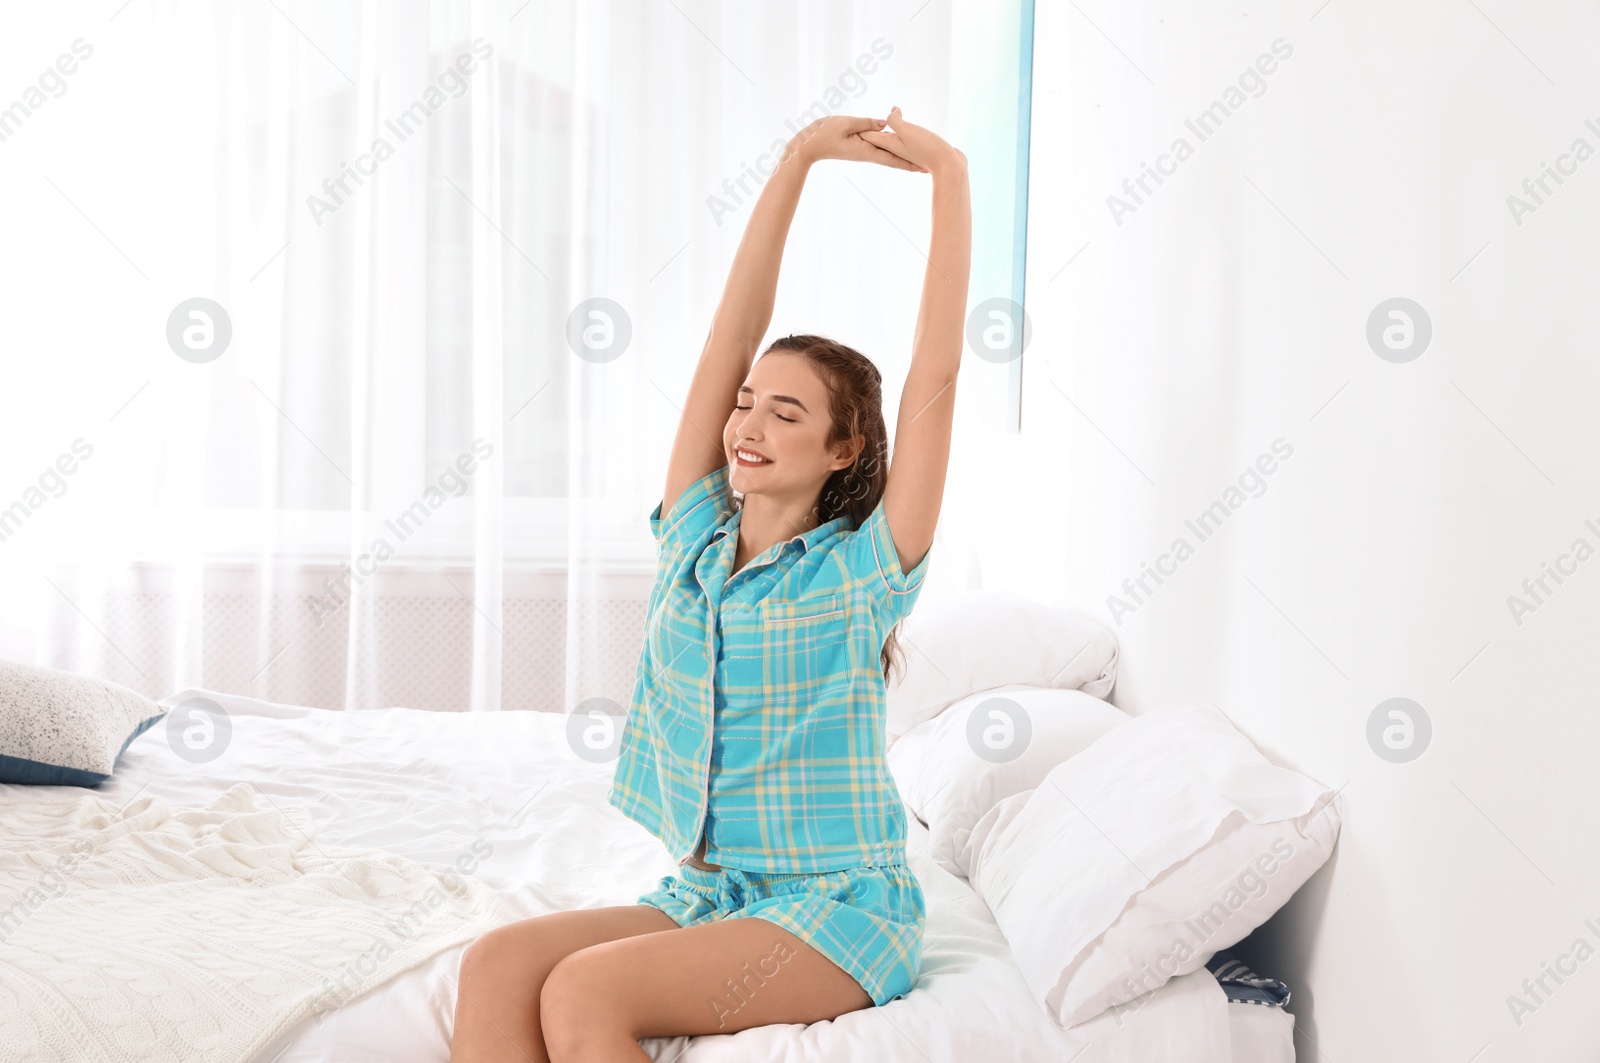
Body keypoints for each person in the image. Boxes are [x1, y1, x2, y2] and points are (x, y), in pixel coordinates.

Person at [450, 106, 970, 1063]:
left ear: (843, 447)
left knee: (586, 990)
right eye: (746, 404)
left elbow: (934, 375)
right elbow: (734, 328)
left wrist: (949, 179)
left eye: (786, 413)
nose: (749, 424)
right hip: (712, 889)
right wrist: (798, 158)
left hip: (838, 906)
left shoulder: (861, 570)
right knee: (496, 964)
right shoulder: (693, 535)